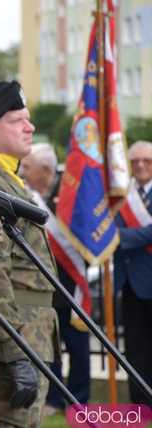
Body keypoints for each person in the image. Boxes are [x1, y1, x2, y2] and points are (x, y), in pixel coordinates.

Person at [0, 80, 58, 428]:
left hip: (30, 334)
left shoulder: (9, 182)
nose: (29, 127)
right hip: (13, 344)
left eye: (28, 119)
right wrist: (15, 354)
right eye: (17, 120)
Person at [21, 143, 91, 413]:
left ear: (46, 170)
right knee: (52, 347)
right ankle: (54, 398)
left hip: (72, 285)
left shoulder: (69, 195)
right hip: (46, 287)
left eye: (29, 167)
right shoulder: (32, 195)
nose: (24, 171)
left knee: (78, 346)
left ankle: (79, 399)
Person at [114, 140, 152, 406]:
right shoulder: (120, 196)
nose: (140, 165)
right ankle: (140, 407)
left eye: (146, 161)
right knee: (135, 351)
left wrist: (117, 237)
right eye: (134, 161)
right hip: (128, 284)